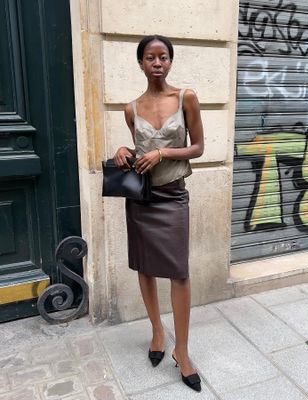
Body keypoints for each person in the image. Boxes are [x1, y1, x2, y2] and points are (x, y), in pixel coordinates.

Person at [113, 35, 204, 392]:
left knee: (179, 272)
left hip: (173, 197)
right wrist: (123, 149)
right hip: (140, 198)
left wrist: (165, 153)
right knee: (145, 266)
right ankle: (156, 331)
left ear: (170, 61)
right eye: (150, 57)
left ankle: (182, 350)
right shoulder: (130, 108)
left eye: (163, 57)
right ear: (140, 63)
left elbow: (197, 147)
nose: (157, 62)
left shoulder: (186, 98)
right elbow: (137, 149)